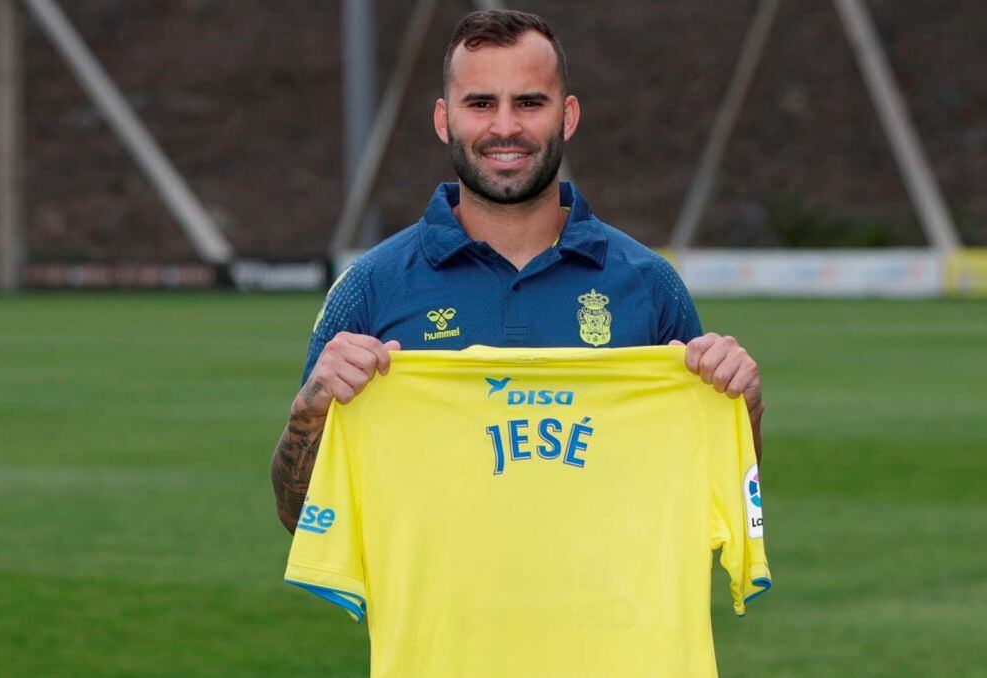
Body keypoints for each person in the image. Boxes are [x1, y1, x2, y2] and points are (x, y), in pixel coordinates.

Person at [271, 9, 763, 534]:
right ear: (444, 120)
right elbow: (300, 518)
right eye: (481, 103)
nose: (505, 127)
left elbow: (721, 500)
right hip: (435, 617)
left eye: (529, 103)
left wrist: (745, 409)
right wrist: (310, 411)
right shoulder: (370, 286)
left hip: (611, 615)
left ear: (567, 117)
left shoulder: (648, 284)